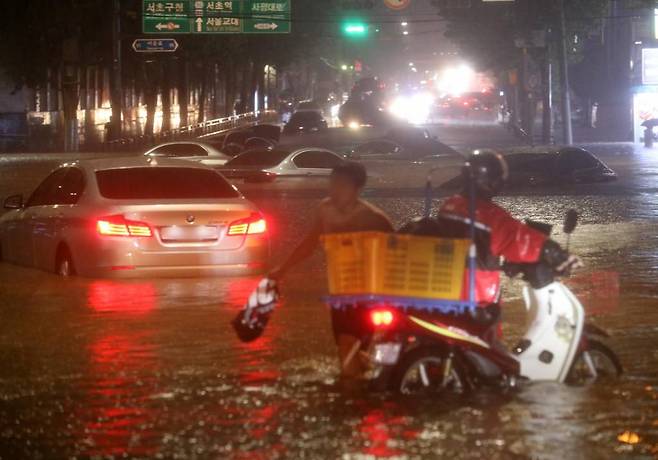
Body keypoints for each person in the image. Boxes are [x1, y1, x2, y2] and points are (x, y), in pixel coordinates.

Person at [269, 161, 394, 377]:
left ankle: (351, 397)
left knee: (350, 344)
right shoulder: (325, 210)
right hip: (340, 291)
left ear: (357, 189)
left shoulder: (373, 218)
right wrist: (282, 269)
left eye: (342, 185)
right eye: (333, 183)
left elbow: (396, 253)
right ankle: (361, 387)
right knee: (347, 347)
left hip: (367, 293)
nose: (335, 189)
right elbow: (309, 243)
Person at [437, 150, 578, 306]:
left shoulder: (451, 205)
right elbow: (516, 237)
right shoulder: (487, 214)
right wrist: (556, 253)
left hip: (446, 288)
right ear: (494, 182)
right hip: (474, 298)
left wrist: (504, 263)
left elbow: (476, 246)